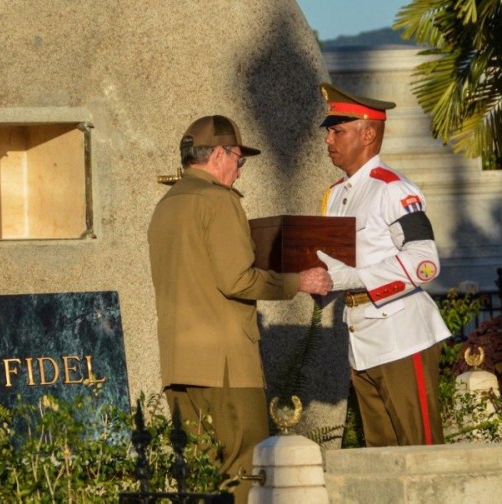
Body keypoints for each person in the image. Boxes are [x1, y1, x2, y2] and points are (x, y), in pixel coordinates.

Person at [147, 114, 332, 502]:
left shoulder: (166, 206)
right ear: (218, 155)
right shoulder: (219, 200)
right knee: (245, 472)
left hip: (180, 366)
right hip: (226, 366)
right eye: (238, 160)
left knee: (199, 478)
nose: (239, 172)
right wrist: (300, 281)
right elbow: (238, 280)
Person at [316, 83, 451, 447]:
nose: (329, 140)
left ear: (369, 133)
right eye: (329, 131)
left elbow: (424, 263)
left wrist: (354, 277)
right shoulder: (335, 195)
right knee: (382, 458)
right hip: (362, 340)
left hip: (402, 336)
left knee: (420, 451)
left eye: (338, 130)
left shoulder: (393, 189)